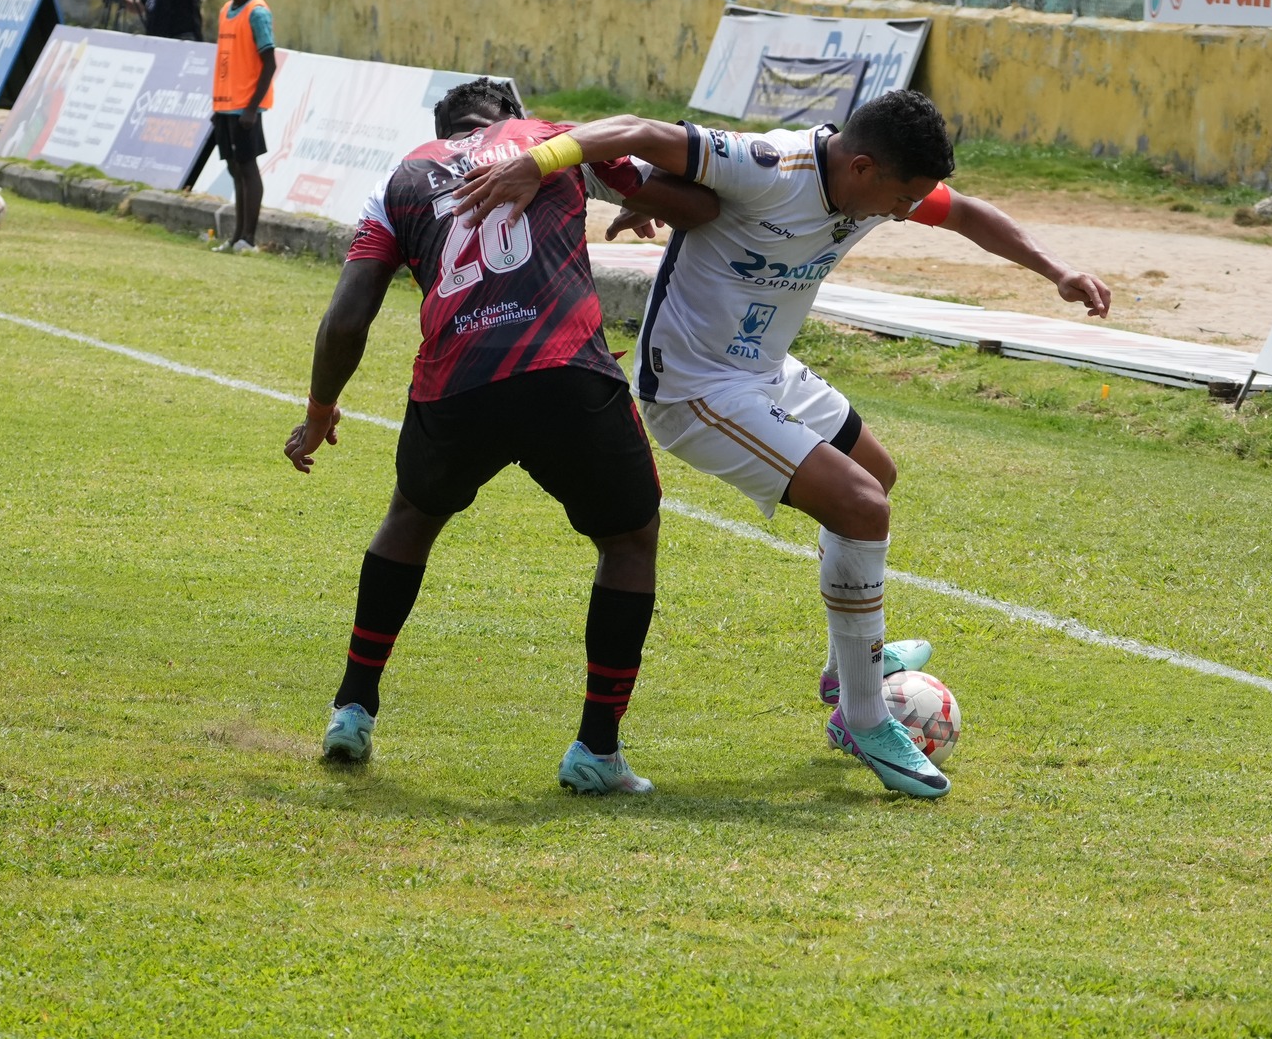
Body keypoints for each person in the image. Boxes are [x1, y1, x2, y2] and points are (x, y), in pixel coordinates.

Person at [451, 90, 1113, 799]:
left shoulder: (871, 184)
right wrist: (539, 161)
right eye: (900, 198)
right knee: (861, 508)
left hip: (763, 371)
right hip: (697, 386)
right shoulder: (767, 164)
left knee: (873, 476)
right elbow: (639, 130)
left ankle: (845, 669)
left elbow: (969, 214)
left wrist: (1057, 272)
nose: (904, 212)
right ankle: (863, 715)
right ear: (861, 168)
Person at [282, 79, 720, 795]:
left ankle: (352, 708)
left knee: (409, 520)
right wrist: (643, 199)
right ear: (509, 116)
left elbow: (346, 317)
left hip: (457, 382)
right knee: (629, 539)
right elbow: (698, 206)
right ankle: (597, 750)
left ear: (444, 127)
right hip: (564, 369)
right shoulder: (554, 135)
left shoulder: (399, 181)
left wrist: (321, 410)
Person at [209, 0, 275, 253]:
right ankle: (236, 236)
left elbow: (269, 63)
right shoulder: (226, 10)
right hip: (226, 105)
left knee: (248, 169)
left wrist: (251, 108)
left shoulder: (257, 12)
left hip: (245, 108)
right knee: (235, 169)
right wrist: (218, 107)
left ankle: (248, 237)